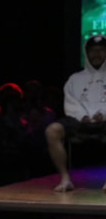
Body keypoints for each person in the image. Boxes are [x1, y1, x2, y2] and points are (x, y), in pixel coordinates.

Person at [44, 34, 106, 191]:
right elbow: (70, 102)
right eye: (93, 51)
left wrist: (103, 113)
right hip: (79, 121)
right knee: (52, 131)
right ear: (87, 53)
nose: (97, 54)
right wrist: (82, 116)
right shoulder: (75, 79)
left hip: (104, 120)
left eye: (101, 50)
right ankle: (65, 179)